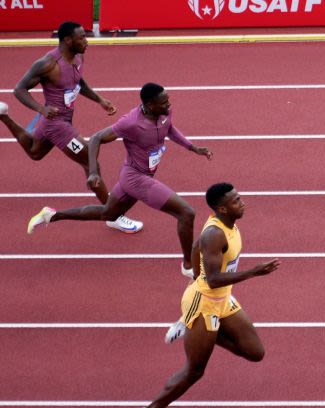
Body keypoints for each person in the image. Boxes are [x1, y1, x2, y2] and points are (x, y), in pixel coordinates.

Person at [137, 183, 280, 408]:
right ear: (222, 208)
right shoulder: (214, 234)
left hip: (222, 300)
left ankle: (192, 326)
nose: (242, 202)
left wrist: (191, 269)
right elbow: (213, 279)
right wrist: (254, 272)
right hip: (205, 303)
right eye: (236, 200)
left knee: (254, 352)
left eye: (240, 197)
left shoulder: (226, 224)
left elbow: (195, 247)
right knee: (195, 370)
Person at [0, 21, 141, 234]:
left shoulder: (78, 56)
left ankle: (2, 115)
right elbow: (19, 90)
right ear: (68, 40)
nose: (87, 41)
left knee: (35, 152)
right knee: (90, 160)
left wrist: (99, 100)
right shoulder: (47, 64)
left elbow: (78, 82)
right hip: (56, 123)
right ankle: (113, 215)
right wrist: (41, 109)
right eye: (82, 38)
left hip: (62, 120)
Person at [26, 83, 213, 277]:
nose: (169, 105)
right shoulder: (131, 123)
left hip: (135, 176)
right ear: (149, 105)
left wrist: (193, 147)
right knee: (186, 213)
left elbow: (170, 128)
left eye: (168, 100)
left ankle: (52, 215)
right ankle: (188, 266)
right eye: (164, 102)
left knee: (108, 213)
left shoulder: (164, 113)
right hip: (136, 179)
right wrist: (93, 172)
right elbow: (97, 137)